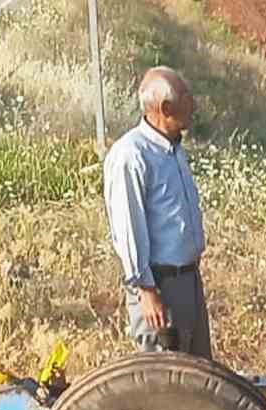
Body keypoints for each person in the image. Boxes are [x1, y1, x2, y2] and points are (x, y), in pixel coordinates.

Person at [103, 67, 211, 358]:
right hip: (159, 289)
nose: (194, 103)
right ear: (165, 107)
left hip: (188, 282)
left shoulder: (174, 149)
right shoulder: (132, 155)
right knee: (167, 386)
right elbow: (129, 229)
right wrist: (147, 291)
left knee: (200, 381)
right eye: (187, 96)